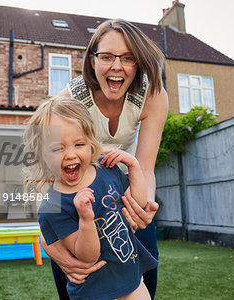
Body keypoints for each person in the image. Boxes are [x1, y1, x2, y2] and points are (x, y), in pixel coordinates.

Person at [43, 19, 169, 299]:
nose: (116, 66)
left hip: (123, 192)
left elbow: (145, 166)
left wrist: (142, 206)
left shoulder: (152, 95)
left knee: (144, 284)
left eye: (128, 58)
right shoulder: (70, 101)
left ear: (138, 63)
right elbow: (48, 170)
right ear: (92, 61)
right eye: (107, 56)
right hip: (79, 201)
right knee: (76, 280)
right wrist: (48, 239)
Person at [24, 97, 158, 299]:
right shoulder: (53, 206)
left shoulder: (107, 170)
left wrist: (134, 167)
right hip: (95, 292)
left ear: (90, 143)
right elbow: (87, 257)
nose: (70, 154)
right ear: (41, 155)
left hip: (131, 281)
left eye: (79, 144)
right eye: (58, 148)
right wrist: (86, 219)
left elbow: (137, 204)